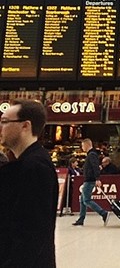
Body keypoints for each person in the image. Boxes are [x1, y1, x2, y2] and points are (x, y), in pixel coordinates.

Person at [0, 100, 58, 267]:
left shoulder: (33, 167)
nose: (0, 127)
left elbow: (30, 233)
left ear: (25, 126)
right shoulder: (30, 162)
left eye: (4, 121)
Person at [73, 138, 110, 226]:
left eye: (82, 145)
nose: (82, 147)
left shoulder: (92, 155)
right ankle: (81, 219)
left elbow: (95, 167)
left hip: (90, 180)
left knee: (86, 200)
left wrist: (97, 179)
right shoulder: (91, 154)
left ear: (87, 145)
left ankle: (103, 213)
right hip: (88, 179)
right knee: (82, 200)